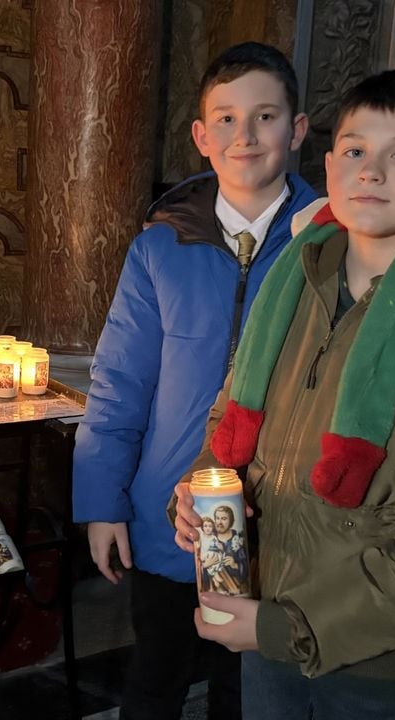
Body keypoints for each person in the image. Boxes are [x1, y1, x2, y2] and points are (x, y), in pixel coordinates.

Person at [171, 69, 395, 718]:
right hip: (267, 619)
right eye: (355, 151)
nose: (371, 171)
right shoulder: (296, 278)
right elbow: (230, 415)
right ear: (331, 164)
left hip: (371, 653)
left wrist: (288, 627)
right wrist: (204, 489)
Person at [72, 41, 318, 720]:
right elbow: (120, 379)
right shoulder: (160, 247)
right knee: (156, 675)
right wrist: (103, 501)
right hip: (169, 509)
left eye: (266, 117)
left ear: (296, 131)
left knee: (255, 687)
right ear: (202, 137)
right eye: (228, 119)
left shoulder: (331, 244)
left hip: (283, 514)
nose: (247, 135)